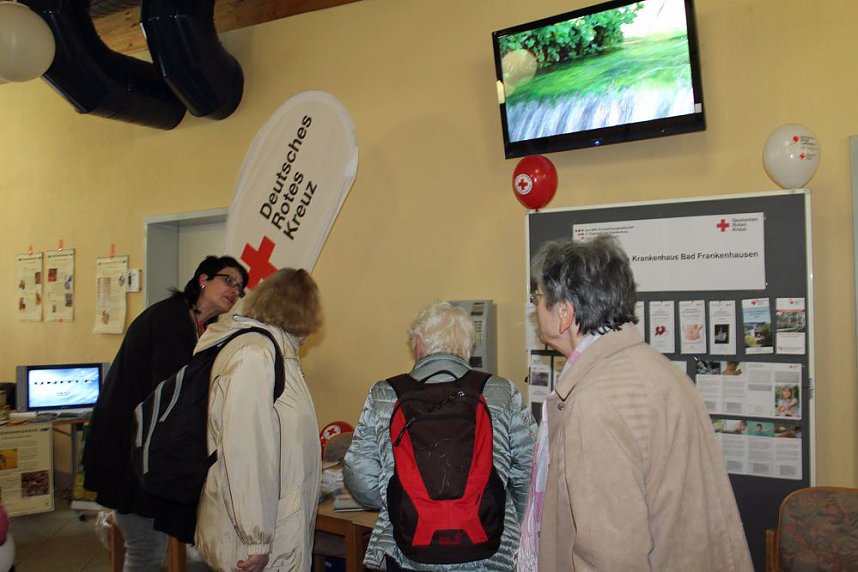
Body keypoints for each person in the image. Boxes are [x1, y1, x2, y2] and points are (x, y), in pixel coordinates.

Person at [525, 235, 753, 571]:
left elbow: (609, 556)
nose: (534, 307)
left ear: (564, 313)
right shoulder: (661, 371)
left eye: (539, 298)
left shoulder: (594, 402)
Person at [343, 301, 537, 571]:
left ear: (418, 345)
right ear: (467, 349)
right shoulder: (501, 392)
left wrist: (401, 500)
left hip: (407, 546)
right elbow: (530, 468)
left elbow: (359, 475)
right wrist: (507, 513)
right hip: (490, 546)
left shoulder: (384, 394)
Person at [83, 255, 248, 572]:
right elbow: (173, 395)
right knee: (145, 549)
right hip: (131, 451)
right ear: (203, 279)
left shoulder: (201, 327)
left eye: (240, 288)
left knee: (154, 545)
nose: (235, 290)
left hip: (149, 450)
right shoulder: (169, 320)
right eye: (229, 280)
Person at [194, 268, 323, 572]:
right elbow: (247, 450)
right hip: (255, 536)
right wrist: (256, 538)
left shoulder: (277, 353)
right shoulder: (256, 355)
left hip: (277, 522)